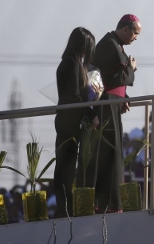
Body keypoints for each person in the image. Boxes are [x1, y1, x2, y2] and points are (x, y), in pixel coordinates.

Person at [91, 14, 141, 213]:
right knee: (108, 154)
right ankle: (106, 203)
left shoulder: (114, 44)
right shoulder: (109, 44)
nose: (136, 38)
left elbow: (114, 79)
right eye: (135, 33)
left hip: (113, 105)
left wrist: (123, 97)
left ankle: (112, 203)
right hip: (105, 106)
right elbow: (115, 77)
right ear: (126, 29)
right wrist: (132, 68)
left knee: (114, 154)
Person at [53, 27, 99, 218]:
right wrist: (91, 112)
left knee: (66, 166)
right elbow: (74, 97)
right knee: (66, 167)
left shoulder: (68, 63)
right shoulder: (71, 65)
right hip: (69, 122)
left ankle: (65, 208)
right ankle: (65, 209)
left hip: (66, 120)